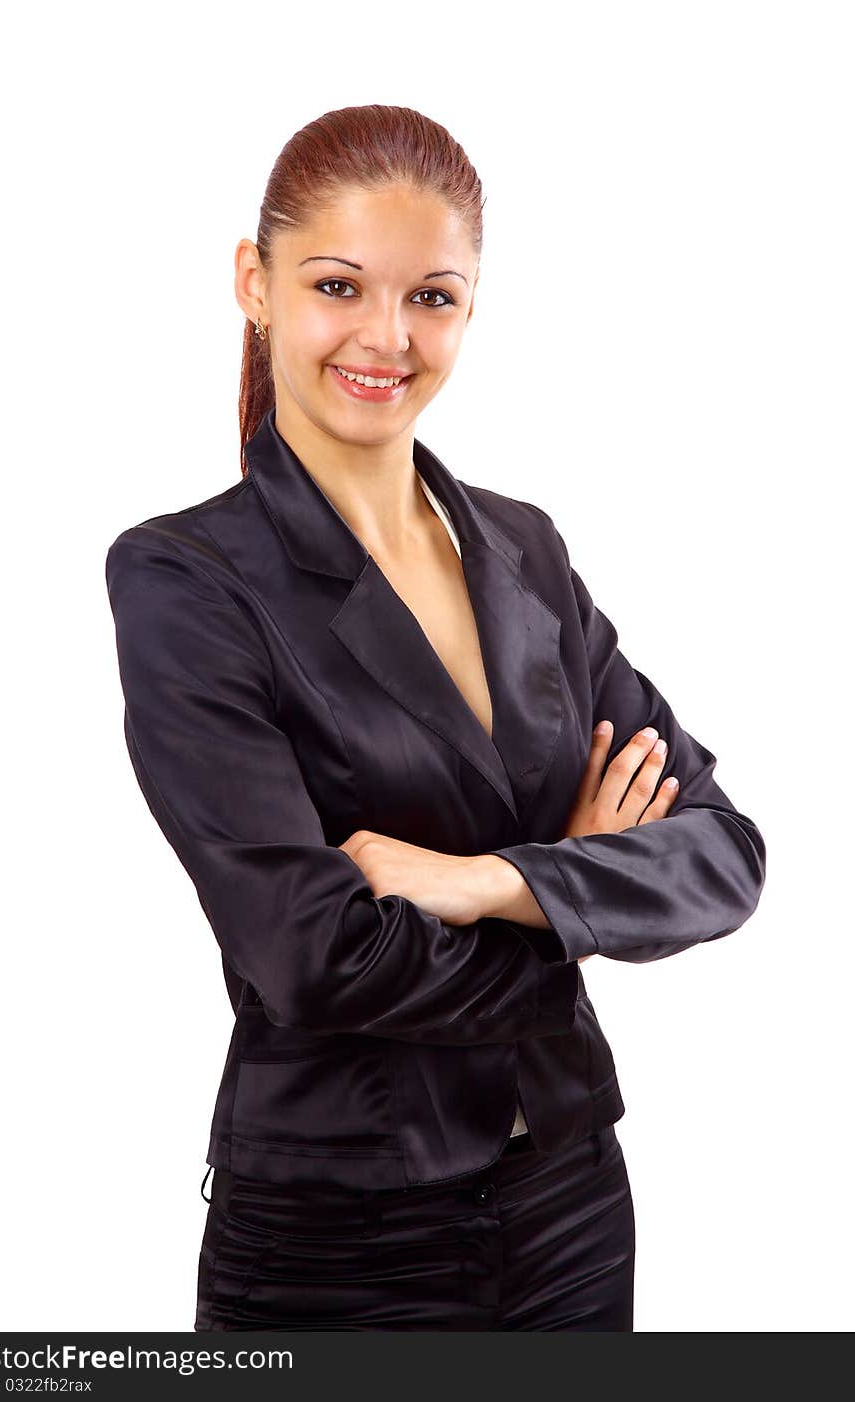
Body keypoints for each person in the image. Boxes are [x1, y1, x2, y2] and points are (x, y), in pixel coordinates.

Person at [105, 104, 767, 1332]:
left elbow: (722, 855)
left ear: (472, 308)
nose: (385, 336)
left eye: (433, 297)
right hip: (340, 1233)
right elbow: (309, 954)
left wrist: (491, 880)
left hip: (569, 1200)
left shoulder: (522, 547)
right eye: (338, 284)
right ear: (255, 283)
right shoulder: (186, 578)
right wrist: (578, 885)